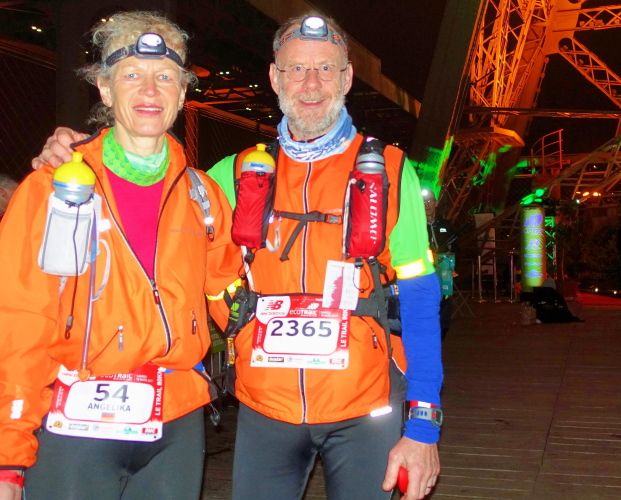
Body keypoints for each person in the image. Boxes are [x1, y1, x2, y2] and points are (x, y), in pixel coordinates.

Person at [32, 13, 443, 500]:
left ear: (347, 78)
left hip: (367, 408)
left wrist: (423, 427)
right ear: (275, 77)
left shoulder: (391, 171)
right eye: (296, 69)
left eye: (326, 69)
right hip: (264, 409)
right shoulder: (230, 175)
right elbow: (149, 203)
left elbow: (420, 301)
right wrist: (78, 153)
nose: (311, 84)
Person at [3, 11, 240, 500]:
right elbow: (20, 321)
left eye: (165, 77)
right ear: (105, 90)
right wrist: (9, 453)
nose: (150, 90)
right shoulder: (51, 190)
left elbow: (233, 299)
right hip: (73, 424)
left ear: (182, 93)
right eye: (131, 75)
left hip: (176, 422)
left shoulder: (202, 195)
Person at [423, 188, 457, 339]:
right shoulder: (416, 227)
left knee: (444, 311)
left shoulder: (445, 225)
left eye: (430, 200)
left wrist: (451, 261)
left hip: (444, 274)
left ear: (436, 203)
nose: (427, 204)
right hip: (425, 275)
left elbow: (455, 247)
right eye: (423, 201)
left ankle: (440, 337)